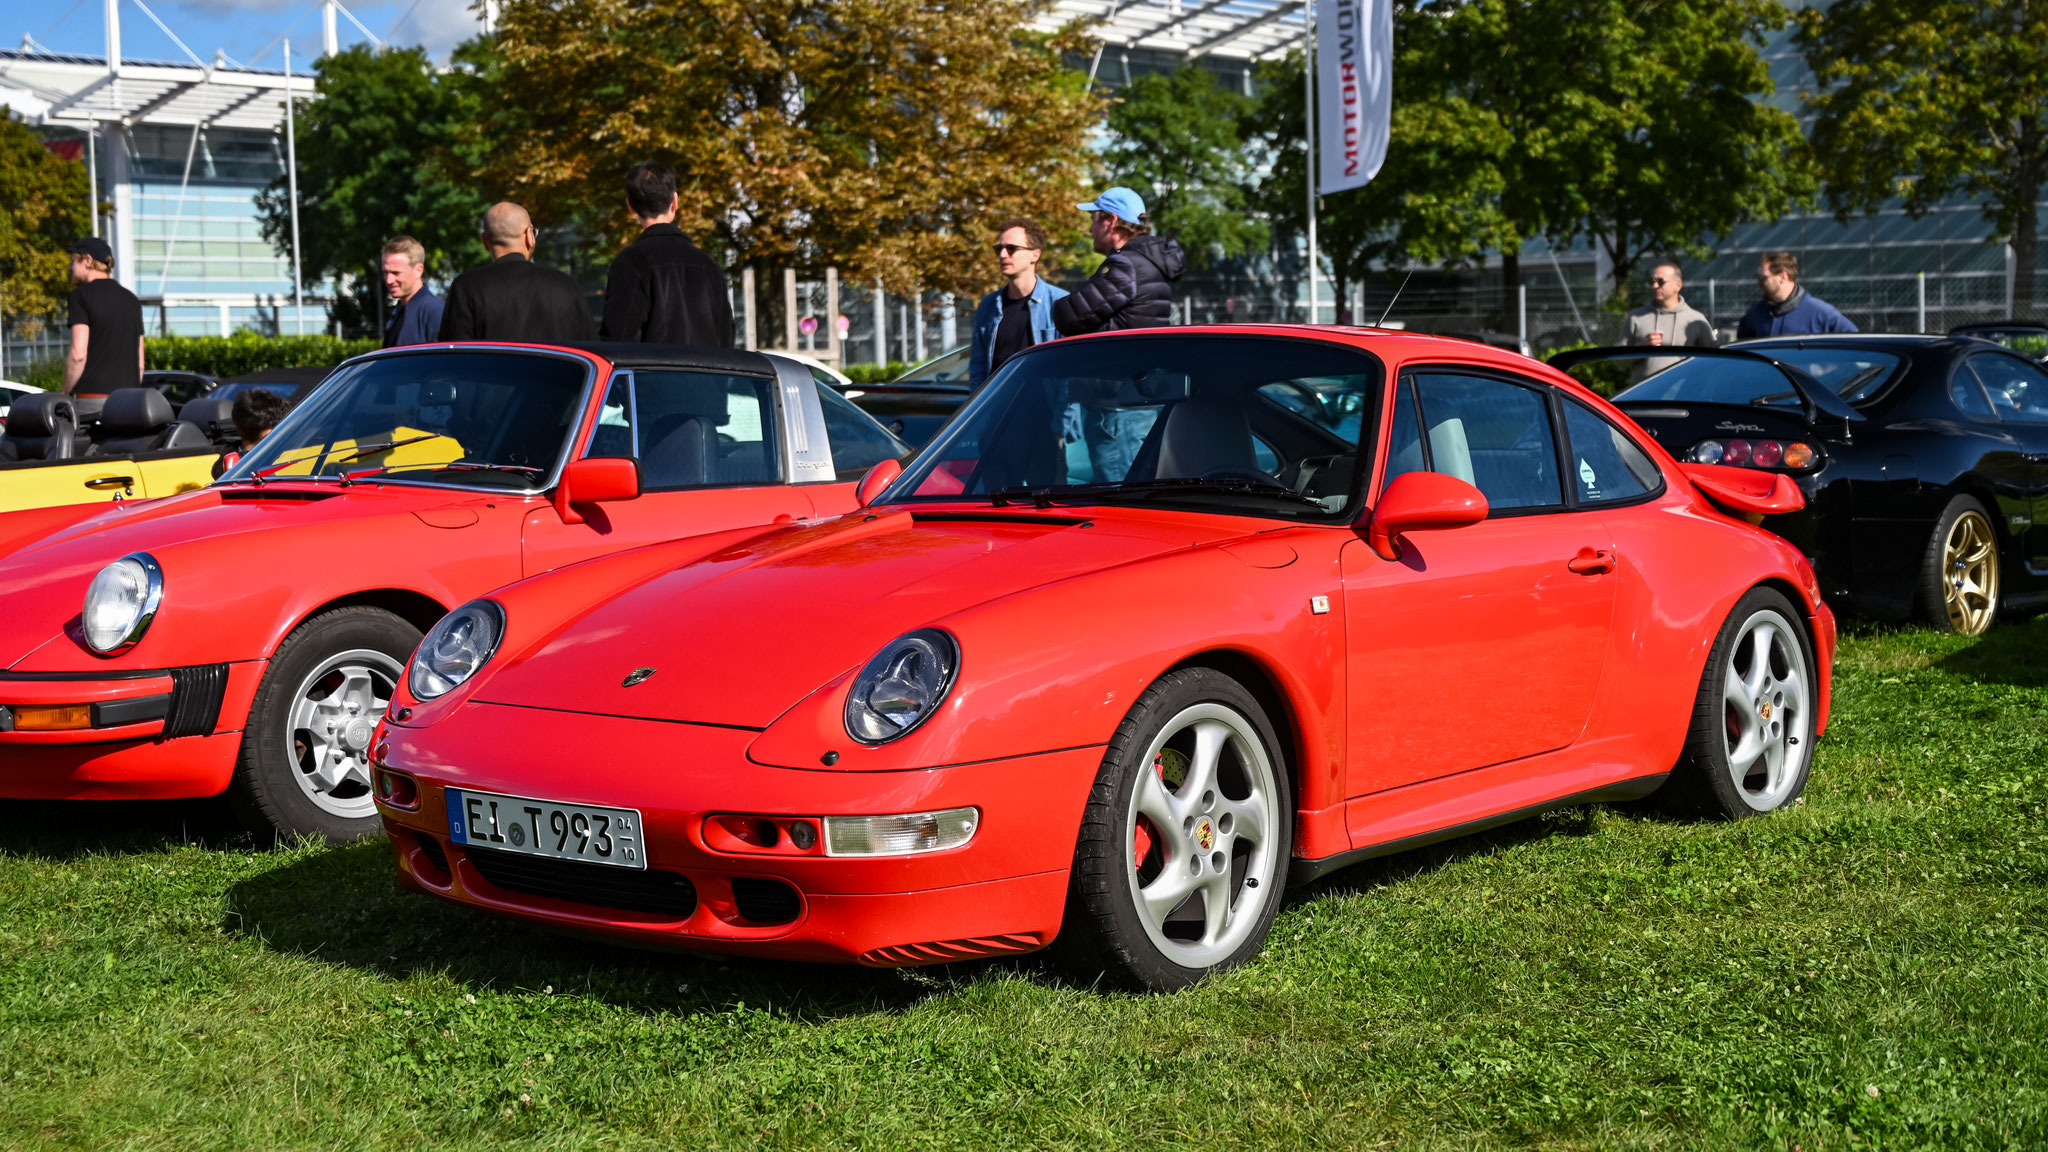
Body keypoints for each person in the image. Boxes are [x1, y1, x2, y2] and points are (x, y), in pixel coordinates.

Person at [600, 161, 733, 346]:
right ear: (675, 201)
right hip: (707, 374)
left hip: (655, 374)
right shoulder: (709, 266)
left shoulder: (630, 263)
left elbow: (618, 340)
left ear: (630, 206)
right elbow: (726, 338)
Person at [437, 202, 596, 344]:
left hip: (492, 377)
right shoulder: (565, 285)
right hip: (558, 377)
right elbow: (591, 350)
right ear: (529, 236)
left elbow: (454, 357)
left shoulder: (466, 287)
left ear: (485, 241)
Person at [1052, 186, 1185, 336]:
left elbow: (1069, 316)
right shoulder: (1148, 261)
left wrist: (1053, 306)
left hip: (1123, 357)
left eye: (1093, 220)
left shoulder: (1124, 265)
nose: (1090, 229)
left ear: (1111, 221)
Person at [967, 217, 1067, 390]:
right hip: (1000, 412)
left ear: (1034, 254)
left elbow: (1069, 373)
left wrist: (1063, 416)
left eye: (1011, 248)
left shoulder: (1059, 302)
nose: (1002, 255)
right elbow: (978, 368)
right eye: (999, 248)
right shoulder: (989, 305)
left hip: (1046, 411)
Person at [62, 236, 144, 398]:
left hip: (91, 398)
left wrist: (64, 392)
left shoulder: (80, 296)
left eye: (73, 261)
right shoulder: (132, 300)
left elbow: (78, 355)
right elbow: (140, 364)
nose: (70, 267)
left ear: (87, 260)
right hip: (130, 402)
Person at [1622, 261, 1715, 377]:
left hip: (1681, 393)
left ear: (1678, 285)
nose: (1655, 286)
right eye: (1653, 281)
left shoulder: (1696, 320)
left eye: (1661, 281)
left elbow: (1713, 362)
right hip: (1643, 393)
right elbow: (1619, 362)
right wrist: (1642, 348)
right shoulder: (1636, 317)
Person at [1737, 251, 1856, 339]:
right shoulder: (1755, 313)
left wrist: (1825, 370)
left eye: (1764, 278)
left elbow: (1854, 343)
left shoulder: (1820, 313)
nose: (1759, 284)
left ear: (1783, 277)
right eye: (1758, 278)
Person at [380, 235, 445, 348]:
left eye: (396, 273)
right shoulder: (400, 310)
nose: (389, 280)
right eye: (385, 272)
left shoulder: (436, 312)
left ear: (418, 270)